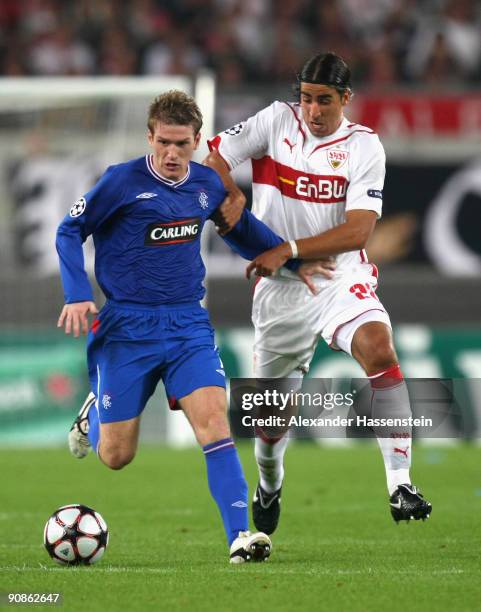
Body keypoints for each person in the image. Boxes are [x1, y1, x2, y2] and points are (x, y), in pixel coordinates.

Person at [55, 90, 332, 564]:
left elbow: (240, 230)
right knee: (115, 455)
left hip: (187, 325)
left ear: (196, 141)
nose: (171, 154)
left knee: (214, 424)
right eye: (163, 142)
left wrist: (290, 260)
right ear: (149, 137)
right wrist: (78, 293)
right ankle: (93, 410)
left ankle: (240, 537)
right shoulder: (121, 182)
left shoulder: (206, 185)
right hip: (126, 327)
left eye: (182, 144)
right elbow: (68, 230)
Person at [204, 52, 432, 535]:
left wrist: (286, 247)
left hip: (337, 278)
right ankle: (269, 486)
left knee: (378, 346)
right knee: (271, 424)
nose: (312, 110)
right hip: (280, 291)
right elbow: (215, 157)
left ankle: (400, 483)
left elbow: (358, 232)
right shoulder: (274, 121)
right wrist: (231, 191)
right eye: (305, 98)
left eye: (323, 100)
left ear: (346, 98)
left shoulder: (364, 148)